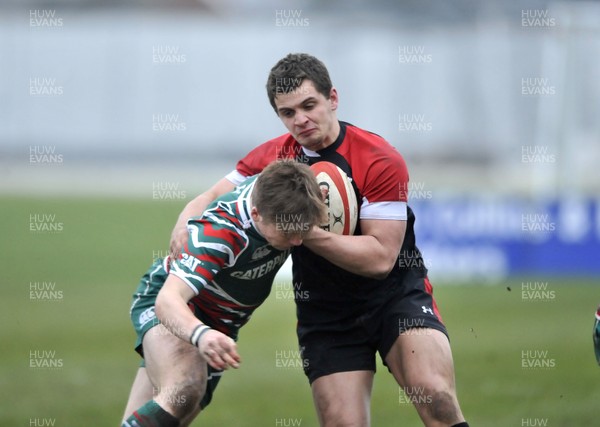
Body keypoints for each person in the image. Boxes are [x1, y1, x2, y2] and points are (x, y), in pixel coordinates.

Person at [169, 53, 469, 427]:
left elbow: (380, 259)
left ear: (333, 99)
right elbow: (210, 197)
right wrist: (185, 220)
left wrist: (303, 230)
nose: (301, 120)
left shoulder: (378, 159)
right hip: (326, 311)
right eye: (288, 112)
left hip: (396, 297)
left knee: (436, 398)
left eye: (309, 105)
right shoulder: (274, 157)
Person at [122, 160, 326, 427]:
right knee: (184, 389)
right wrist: (201, 334)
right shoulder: (221, 234)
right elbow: (168, 300)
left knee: (171, 413)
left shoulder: (287, 191)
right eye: (288, 233)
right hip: (177, 308)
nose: (298, 241)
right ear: (256, 214)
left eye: (302, 230)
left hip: (221, 325)